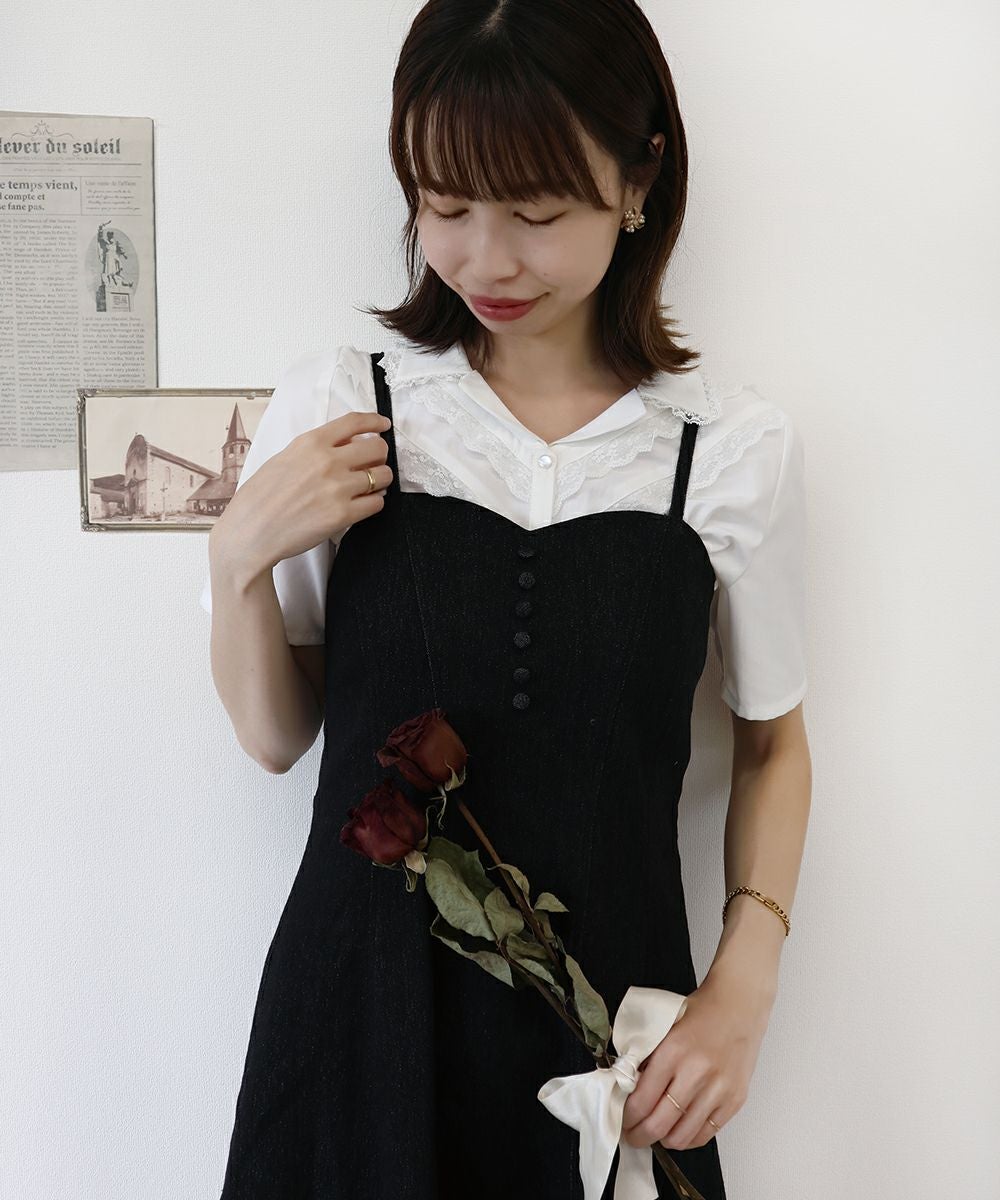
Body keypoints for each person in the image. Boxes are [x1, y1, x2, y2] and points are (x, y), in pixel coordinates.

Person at [200, 2, 813, 1197]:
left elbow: (772, 741)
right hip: (359, 1029)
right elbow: (276, 739)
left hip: (610, 1043)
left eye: (535, 213)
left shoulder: (726, 449)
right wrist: (236, 563)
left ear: (638, 181)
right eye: (444, 206)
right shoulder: (348, 405)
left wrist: (744, 983)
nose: (485, 260)